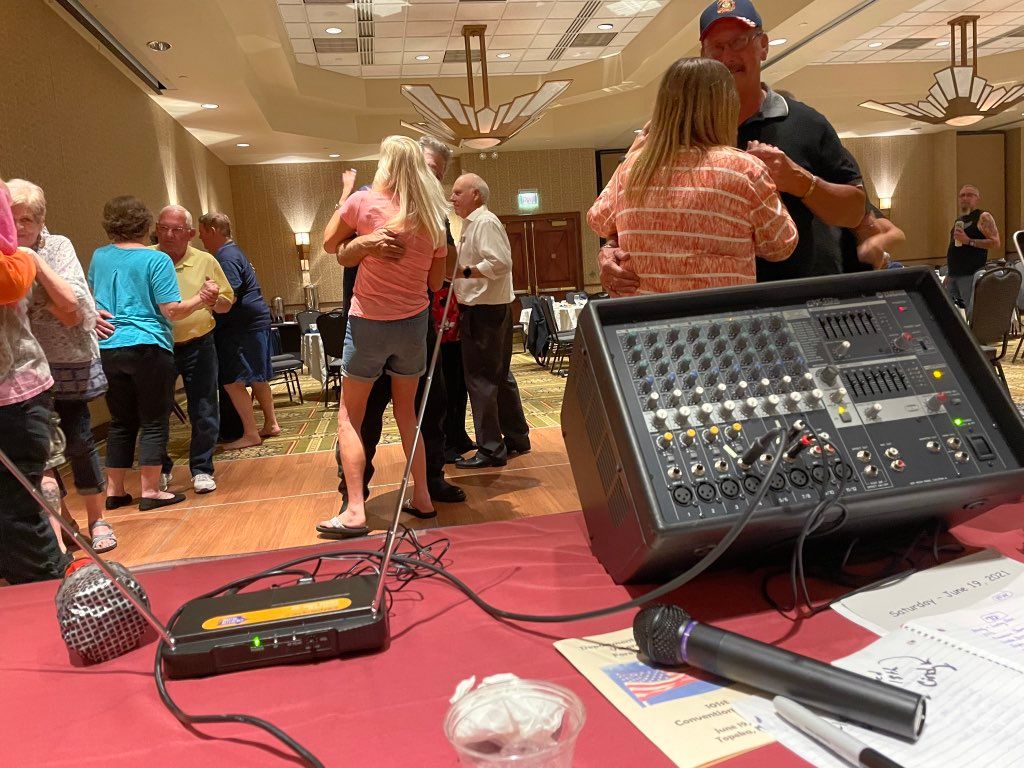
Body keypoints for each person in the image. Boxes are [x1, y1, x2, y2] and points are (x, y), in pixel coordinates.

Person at [601, 0, 865, 294]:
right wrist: (611, 253)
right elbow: (627, 219)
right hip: (719, 313)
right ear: (703, 54)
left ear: (763, 46)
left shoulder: (808, 123)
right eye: (717, 46)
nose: (728, 56)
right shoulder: (671, 139)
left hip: (798, 297)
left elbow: (856, 211)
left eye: (739, 42)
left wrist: (801, 181)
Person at [316, 135, 448, 537]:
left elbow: (327, 243)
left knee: (349, 417)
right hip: (412, 326)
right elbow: (436, 282)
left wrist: (361, 240)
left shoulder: (364, 202)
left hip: (369, 323)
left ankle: (355, 509)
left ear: (386, 164)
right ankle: (423, 497)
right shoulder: (434, 215)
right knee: (409, 415)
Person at [587, 57, 796, 295]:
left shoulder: (633, 168)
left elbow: (598, 220)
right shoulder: (745, 169)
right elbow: (781, 244)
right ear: (725, 107)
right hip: (721, 322)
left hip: (644, 324)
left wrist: (631, 155)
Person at [89, 196, 219, 512]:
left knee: (120, 422)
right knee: (154, 419)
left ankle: (115, 491)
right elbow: (172, 311)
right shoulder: (156, 260)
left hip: (109, 347)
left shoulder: (100, 257)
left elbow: (93, 302)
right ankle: (151, 490)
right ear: (148, 226)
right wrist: (201, 299)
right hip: (148, 346)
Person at [9, 179, 116, 552]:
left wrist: (35, 275)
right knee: (40, 454)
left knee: (79, 442)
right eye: (12, 218)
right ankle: (61, 524)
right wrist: (48, 298)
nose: (20, 227)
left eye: (27, 219)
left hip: (67, 362)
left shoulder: (55, 246)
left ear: (40, 221)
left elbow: (74, 310)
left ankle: (97, 520)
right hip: (21, 371)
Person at [0, 178, 72, 583]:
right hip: (17, 390)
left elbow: (72, 308)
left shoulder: (24, 258)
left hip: (17, 391)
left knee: (19, 505)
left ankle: (48, 590)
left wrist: (28, 258)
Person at [450, 173, 531, 469]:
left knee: (481, 381)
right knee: (499, 377)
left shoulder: (484, 222)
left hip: (483, 312)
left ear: (477, 195)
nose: (453, 198)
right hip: (492, 311)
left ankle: (491, 449)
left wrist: (464, 272)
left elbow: (500, 263)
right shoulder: (476, 223)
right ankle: (517, 438)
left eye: (459, 192)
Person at [154, 205, 234, 494]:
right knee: (156, 410)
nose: (168, 234)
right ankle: (160, 469)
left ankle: (201, 468)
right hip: (158, 345)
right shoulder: (148, 258)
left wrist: (213, 300)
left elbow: (226, 304)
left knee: (204, 406)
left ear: (189, 233)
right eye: (163, 228)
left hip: (199, 342)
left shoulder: (205, 261)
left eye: (176, 229)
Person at [198, 211, 280, 449]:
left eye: (202, 234)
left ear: (213, 230)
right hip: (254, 322)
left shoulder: (225, 257)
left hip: (241, 326)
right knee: (257, 376)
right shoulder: (235, 251)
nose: (201, 240)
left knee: (232, 381)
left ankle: (250, 433)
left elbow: (228, 295)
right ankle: (271, 423)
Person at [945, 184, 1001, 311]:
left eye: (969, 195)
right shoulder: (959, 220)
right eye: (962, 195)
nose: (965, 198)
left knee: (973, 313)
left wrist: (969, 241)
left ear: (977, 198)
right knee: (948, 312)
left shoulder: (983, 217)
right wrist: (949, 273)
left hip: (971, 274)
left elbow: (995, 243)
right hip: (953, 275)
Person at [841, 203, 907, 273]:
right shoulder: (840, 229)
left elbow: (899, 234)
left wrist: (878, 242)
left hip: (887, 268)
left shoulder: (869, 215)